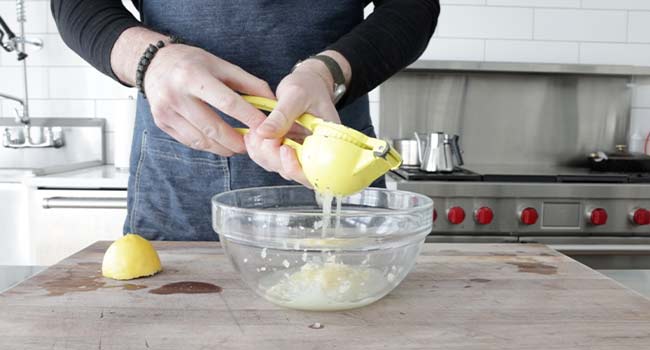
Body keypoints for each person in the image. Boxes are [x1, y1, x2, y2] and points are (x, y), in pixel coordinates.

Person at [51, 0, 440, 240]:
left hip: (335, 168)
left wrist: (328, 75)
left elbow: (412, 6)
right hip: (178, 187)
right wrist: (150, 59)